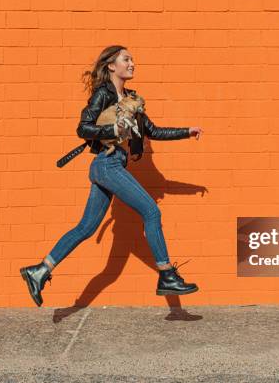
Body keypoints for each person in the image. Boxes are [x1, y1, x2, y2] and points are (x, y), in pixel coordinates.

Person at [20, 45, 204, 307]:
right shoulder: (102, 94)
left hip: (110, 165)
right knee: (152, 212)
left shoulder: (131, 98)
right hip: (107, 163)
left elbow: (153, 131)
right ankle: (166, 275)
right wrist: (113, 128)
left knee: (86, 227)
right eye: (126, 59)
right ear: (112, 66)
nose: (132, 64)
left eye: (132, 60)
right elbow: (83, 128)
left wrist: (186, 131)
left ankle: (39, 271)